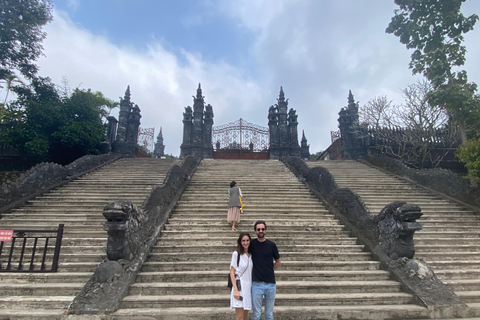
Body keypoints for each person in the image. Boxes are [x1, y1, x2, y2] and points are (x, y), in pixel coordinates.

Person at [250, 220, 281, 320]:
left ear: (266, 230)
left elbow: (278, 262)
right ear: (255, 231)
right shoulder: (252, 244)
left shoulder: (271, 245)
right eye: (258, 229)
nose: (260, 231)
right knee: (256, 314)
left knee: (269, 314)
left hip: (271, 284)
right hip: (257, 284)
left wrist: (269, 270)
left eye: (262, 229)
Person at [230, 232, 253, 320]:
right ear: (240, 242)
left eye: (247, 240)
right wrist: (235, 289)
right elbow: (232, 272)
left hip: (248, 287)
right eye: (243, 241)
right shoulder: (236, 254)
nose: (245, 243)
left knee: (245, 316)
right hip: (239, 286)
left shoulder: (251, 255)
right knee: (239, 317)